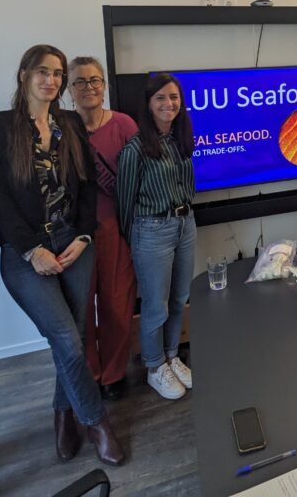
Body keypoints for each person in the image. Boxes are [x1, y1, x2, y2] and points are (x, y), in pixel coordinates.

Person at [0, 45, 124, 465]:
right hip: (25, 254)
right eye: (43, 71)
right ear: (24, 74)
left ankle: (62, 412)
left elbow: (88, 185)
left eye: (58, 73)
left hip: (74, 244)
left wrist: (83, 236)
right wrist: (30, 248)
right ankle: (95, 421)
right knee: (66, 338)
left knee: (74, 333)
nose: (52, 80)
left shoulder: (70, 123)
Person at [116, 73, 196, 401]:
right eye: (161, 98)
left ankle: (172, 356)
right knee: (155, 305)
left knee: (179, 299)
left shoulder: (179, 139)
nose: (168, 104)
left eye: (174, 97)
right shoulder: (136, 148)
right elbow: (124, 201)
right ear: (149, 104)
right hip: (151, 231)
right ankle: (154, 366)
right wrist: (137, 239)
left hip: (185, 224)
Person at [68, 57, 138, 401]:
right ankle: (90, 374)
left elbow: (142, 176)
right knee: (80, 308)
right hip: (72, 233)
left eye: (94, 80)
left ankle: (113, 374)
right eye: (80, 82)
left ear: (104, 85)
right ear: (69, 89)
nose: (89, 87)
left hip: (115, 227)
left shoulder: (124, 125)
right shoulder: (60, 128)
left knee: (117, 306)